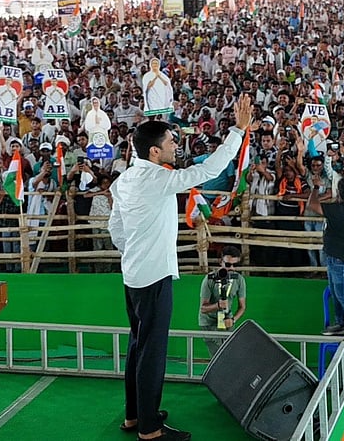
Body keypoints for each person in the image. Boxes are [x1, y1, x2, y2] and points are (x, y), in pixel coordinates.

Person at [107, 94, 252, 441]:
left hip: (134, 275)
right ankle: (150, 429)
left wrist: (135, 252)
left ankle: (134, 415)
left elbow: (115, 229)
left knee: (138, 346)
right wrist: (238, 131)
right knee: (152, 353)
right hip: (153, 277)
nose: (176, 145)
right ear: (154, 152)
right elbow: (209, 170)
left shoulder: (125, 179)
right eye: (171, 141)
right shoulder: (156, 179)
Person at [308, 173, 344, 340]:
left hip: (342, 259)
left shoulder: (338, 211)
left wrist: (316, 187)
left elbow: (312, 204)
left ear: (339, 193)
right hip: (336, 256)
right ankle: (340, 322)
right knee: (335, 291)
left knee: (343, 293)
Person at [198, 245, 246, 356]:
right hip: (209, 322)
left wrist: (233, 320)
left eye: (235, 265)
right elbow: (203, 309)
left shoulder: (239, 279)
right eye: (228, 264)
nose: (232, 268)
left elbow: (242, 307)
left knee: (231, 355)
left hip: (227, 321)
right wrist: (218, 305)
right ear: (221, 261)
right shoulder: (209, 279)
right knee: (218, 356)